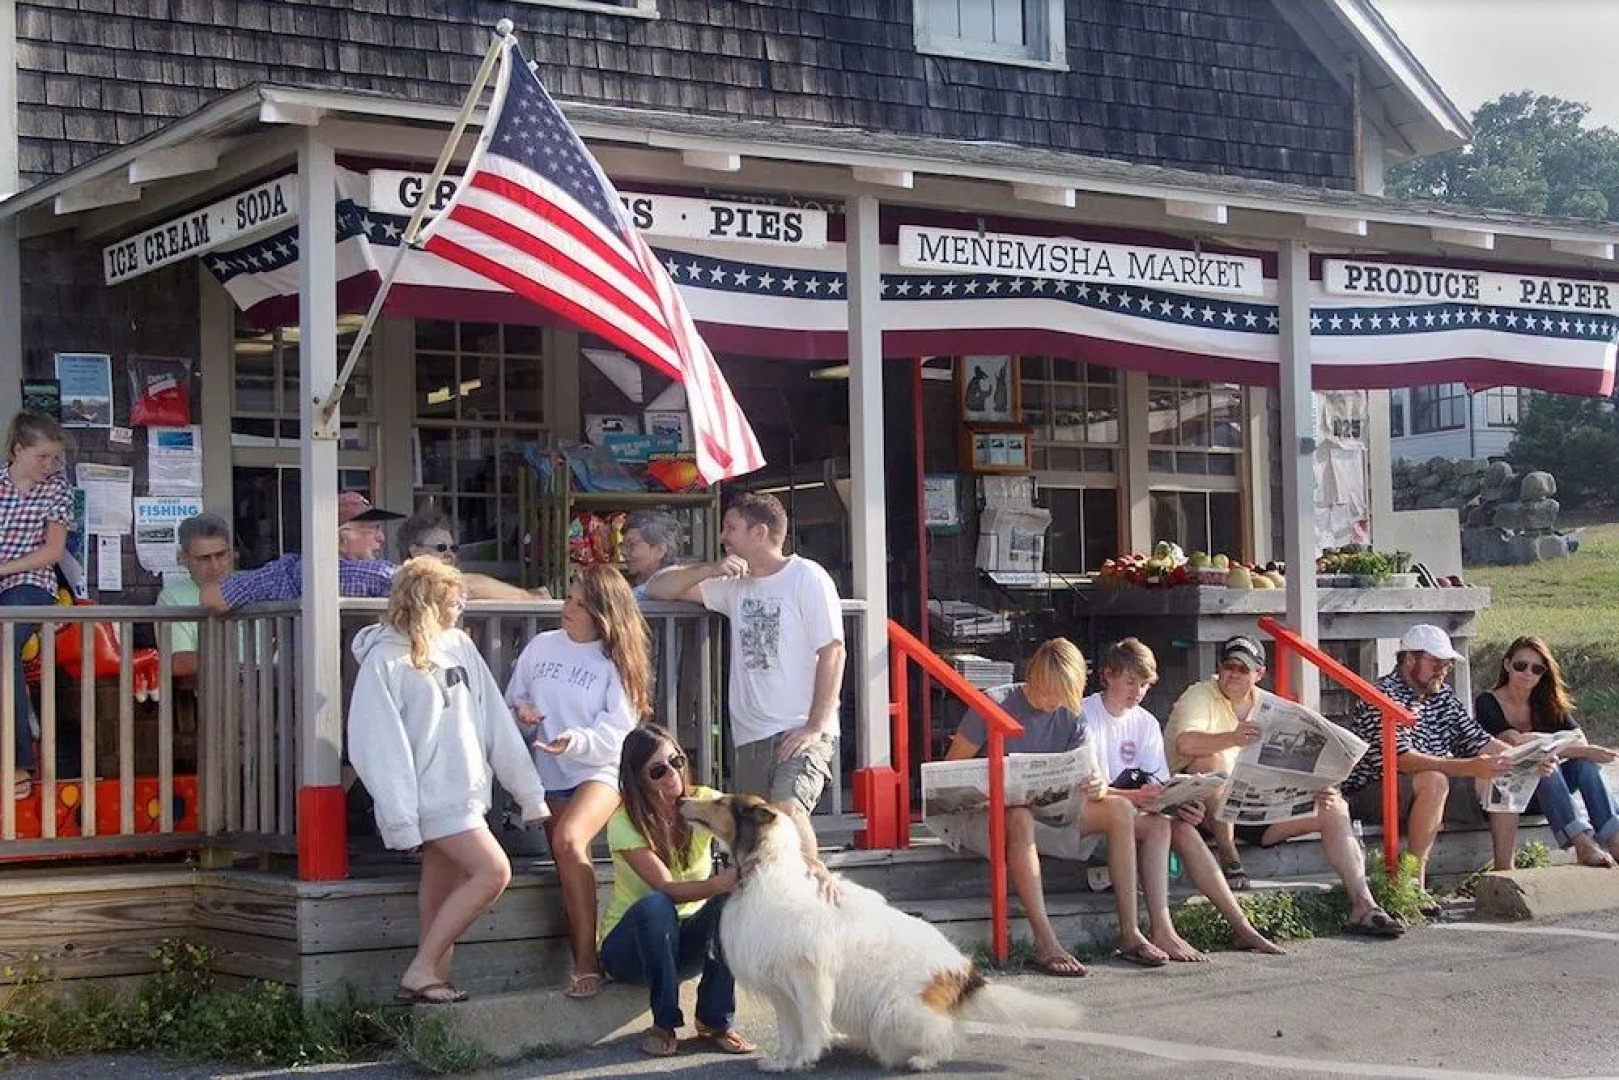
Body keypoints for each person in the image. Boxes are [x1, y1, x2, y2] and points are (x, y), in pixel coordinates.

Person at [346, 557, 551, 1004]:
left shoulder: (458, 645)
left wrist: (527, 791)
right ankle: (420, 969)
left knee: (439, 895)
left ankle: (432, 981)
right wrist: (401, 817)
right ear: (428, 599)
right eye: (452, 595)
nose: (461, 602)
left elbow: (495, 719)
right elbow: (377, 747)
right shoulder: (382, 660)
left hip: (467, 791)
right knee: (494, 871)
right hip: (430, 797)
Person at [645, 492, 844, 885]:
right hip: (750, 733)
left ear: (760, 532)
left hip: (798, 728)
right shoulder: (732, 584)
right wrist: (710, 569)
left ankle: (813, 893)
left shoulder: (807, 577)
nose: (724, 536)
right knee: (756, 837)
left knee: (786, 810)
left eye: (731, 528)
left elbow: (833, 651)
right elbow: (658, 588)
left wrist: (815, 724)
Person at [938, 637, 1169, 973]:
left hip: (1046, 813)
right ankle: (1046, 942)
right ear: (1032, 677)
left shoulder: (1070, 713)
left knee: (1120, 810)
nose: (1052, 702)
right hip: (984, 817)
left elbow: (1092, 774)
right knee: (1018, 815)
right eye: (1047, 691)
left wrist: (1096, 784)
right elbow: (949, 773)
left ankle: (1130, 932)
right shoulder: (994, 703)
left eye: (1062, 694)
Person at [1166, 635, 1404, 937]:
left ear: (1259, 674)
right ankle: (1229, 856)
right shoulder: (1199, 695)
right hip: (1203, 809)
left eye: (1243, 668)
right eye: (1229, 665)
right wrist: (1233, 738)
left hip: (1260, 807)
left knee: (1334, 805)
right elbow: (1185, 744)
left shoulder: (1270, 706)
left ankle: (1364, 904)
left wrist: (1318, 783)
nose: (1234, 674)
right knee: (1211, 762)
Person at [1083, 638, 1283, 959]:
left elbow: (1159, 783)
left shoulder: (1145, 722)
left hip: (1138, 815)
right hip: (1098, 817)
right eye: (1130, 682)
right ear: (1108, 675)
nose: (1137, 692)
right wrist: (1142, 797)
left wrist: (1180, 805)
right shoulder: (1086, 715)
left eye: (1145, 685)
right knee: (1160, 826)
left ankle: (1241, 925)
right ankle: (1162, 929)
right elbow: (1089, 788)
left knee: (1182, 826)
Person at [506, 563, 652, 1000]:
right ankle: (587, 958)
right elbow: (515, 696)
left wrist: (576, 741)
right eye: (568, 598)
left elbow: (619, 731)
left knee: (570, 841)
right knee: (568, 859)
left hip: (600, 769)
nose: (567, 608)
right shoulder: (540, 645)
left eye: (580, 604)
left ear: (604, 615)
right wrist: (524, 713)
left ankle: (586, 965)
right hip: (548, 771)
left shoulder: (617, 661)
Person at [599, 725, 755, 1058]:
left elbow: (754, 825)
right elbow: (668, 888)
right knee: (656, 905)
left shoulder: (704, 802)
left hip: (683, 944)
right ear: (639, 779)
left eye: (676, 760)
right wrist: (718, 883)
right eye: (658, 770)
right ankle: (663, 1024)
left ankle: (714, 1021)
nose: (672, 774)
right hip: (630, 951)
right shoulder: (624, 822)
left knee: (731, 901)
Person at [1343, 624, 1522, 892]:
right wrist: (1469, 767)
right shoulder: (1381, 695)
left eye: (1447, 663)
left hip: (1429, 789)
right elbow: (1402, 760)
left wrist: (1523, 759)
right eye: (1435, 661)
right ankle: (1413, 883)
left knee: (1502, 770)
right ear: (1409, 659)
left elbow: (1481, 741)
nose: (1443, 669)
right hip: (1373, 789)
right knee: (1434, 780)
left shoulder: (1443, 695)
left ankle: (1505, 875)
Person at [202, 491, 539, 610]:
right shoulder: (365, 573)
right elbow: (454, 586)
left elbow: (212, 597)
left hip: (299, 688)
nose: (380, 538)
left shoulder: (285, 569)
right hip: (357, 686)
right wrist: (527, 599)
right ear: (340, 537)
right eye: (370, 529)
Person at [1475, 635, 1619, 869]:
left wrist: (1559, 746)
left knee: (1585, 765)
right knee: (1543, 765)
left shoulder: (1547, 701)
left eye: (1537, 668)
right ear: (1507, 665)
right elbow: (1516, 743)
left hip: (1550, 793)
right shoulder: (1488, 702)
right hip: (1508, 793)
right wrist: (1556, 744)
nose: (1528, 673)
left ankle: (1614, 838)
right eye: (1521, 665)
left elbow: (1580, 741)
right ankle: (1580, 842)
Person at [0, 412, 73, 800]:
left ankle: (16, 760)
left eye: (55, 458)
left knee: (5, 636)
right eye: (43, 457)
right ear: (18, 450)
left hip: (30, 582)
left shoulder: (57, 489)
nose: (50, 466)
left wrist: (3, 569)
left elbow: (53, 551)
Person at [156, 513, 235, 680]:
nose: (215, 566)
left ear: (232, 554)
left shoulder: (250, 587)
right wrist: (244, 665)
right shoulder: (172, 597)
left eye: (221, 555)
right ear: (185, 560)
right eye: (204, 559)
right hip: (211, 692)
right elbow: (179, 662)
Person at [621, 509, 683, 600]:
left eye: (631, 544)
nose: (623, 552)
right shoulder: (629, 585)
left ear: (659, 550)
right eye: (623, 545)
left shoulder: (682, 586)